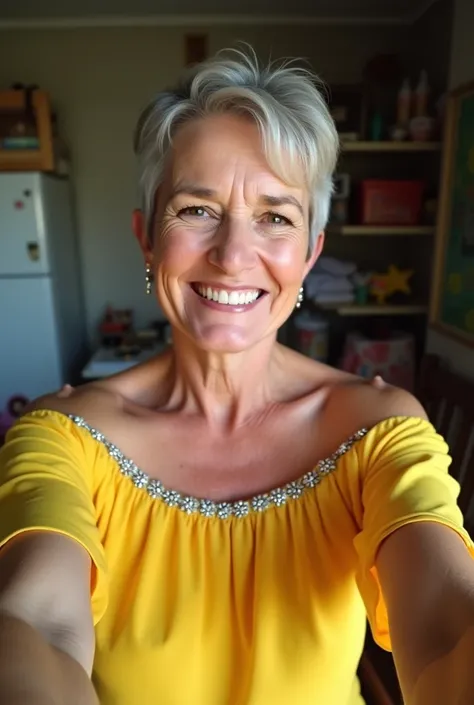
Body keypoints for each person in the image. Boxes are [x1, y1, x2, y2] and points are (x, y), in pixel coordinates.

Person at [0, 48, 473, 705]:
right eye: (197, 209)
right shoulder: (65, 434)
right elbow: (38, 624)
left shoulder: (379, 428)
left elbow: (447, 624)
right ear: (146, 237)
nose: (231, 256)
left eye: (275, 216)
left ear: (309, 254)